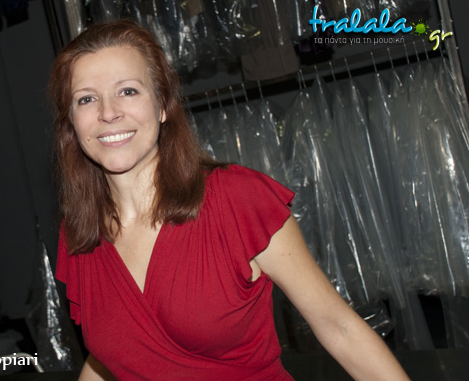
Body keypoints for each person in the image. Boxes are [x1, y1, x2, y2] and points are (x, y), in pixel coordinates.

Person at [51, 19, 410, 380]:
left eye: (128, 91)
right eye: (86, 99)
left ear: (162, 106)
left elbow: (338, 327)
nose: (108, 112)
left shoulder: (236, 200)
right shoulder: (80, 233)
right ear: (72, 122)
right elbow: (113, 355)